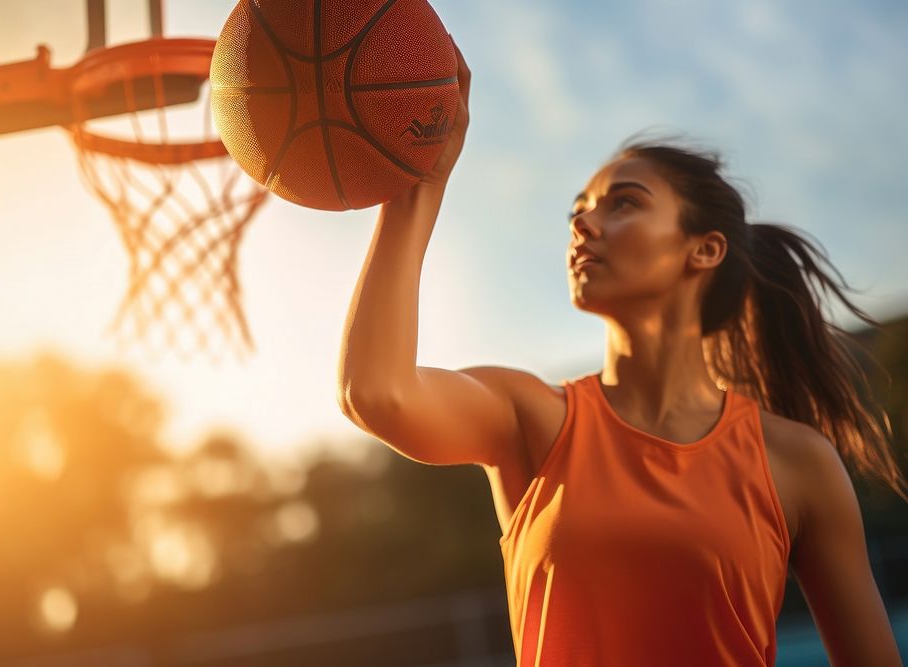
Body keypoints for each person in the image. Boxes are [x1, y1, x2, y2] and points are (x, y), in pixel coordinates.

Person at [336, 40, 907, 667]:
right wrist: (420, 182)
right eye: (578, 211)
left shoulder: (796, 462)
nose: (583, 224)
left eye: (624, 202)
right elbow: (377, 392)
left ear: (704, 249)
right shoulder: (532, 416)